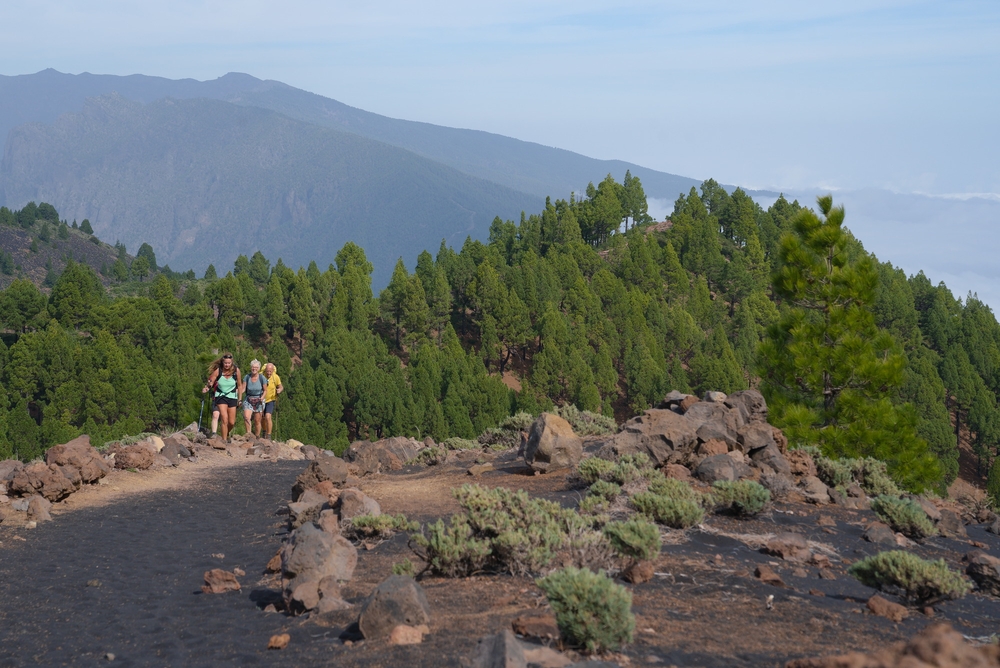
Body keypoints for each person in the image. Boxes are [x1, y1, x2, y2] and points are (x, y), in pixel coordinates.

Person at [203, 353, 241, 441]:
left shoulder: (236, 371)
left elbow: (239, 385)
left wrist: (239, 399)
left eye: (229, 363)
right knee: (224, 419)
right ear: (222, 362)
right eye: (225, 363)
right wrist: (207, 387)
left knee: (231, 422)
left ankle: (226, 432)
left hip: (232, 397)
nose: (227, 365)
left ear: (232, 362)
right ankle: (223, 441)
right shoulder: (218, 371)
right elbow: (211, 382)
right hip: (220, 397)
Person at [241, 359, 268, 438]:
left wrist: (262, 398)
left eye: (256, 367)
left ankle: (257, 436)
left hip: (259, 400)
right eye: (253, 367)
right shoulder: (247, 377)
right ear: (250, 368)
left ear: (259, 369)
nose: (254, 369)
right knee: (246, 417)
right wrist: (236, 393)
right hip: (248, 399)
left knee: (257, 420)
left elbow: (265, 390)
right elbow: (243, 389)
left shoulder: (262, 378)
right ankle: (248, 435)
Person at [262, 362, 283, 439]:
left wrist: (279, 390)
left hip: (271, 399)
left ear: (273, 370)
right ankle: (264, 431)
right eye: (267, 371)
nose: (269, 373)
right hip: (262, 399)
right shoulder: (262, 375)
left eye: (270, 371)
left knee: (268, 416)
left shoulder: (275, 377)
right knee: (262, 417)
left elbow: (281, 387)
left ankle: (269, 435)